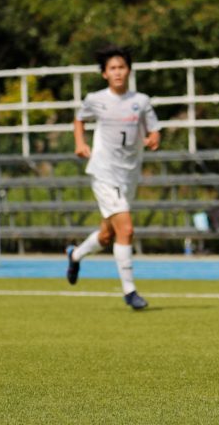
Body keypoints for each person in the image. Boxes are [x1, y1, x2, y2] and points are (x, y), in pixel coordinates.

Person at [65, 45, 161, 310]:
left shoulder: (141, 101)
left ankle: (75, 255)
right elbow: (79, 119)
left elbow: (154, 130)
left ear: (128, 70)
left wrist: (153, 138)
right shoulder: (96, 99)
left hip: (129, 174)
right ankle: (130, 291)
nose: (117, 72)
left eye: (121, 67)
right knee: (126, 229)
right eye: (112, 68)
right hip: (104, 171)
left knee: (107, 235)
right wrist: (80, 143)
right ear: (104, 74)